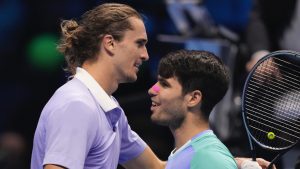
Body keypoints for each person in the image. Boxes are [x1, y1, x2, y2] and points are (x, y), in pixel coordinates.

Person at [30, 2, 274, 169]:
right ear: (110, 43)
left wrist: (236, 163)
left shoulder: (108, 110)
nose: (146, 55)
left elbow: (157, 166)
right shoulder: (78, 105)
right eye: (139, 43)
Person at [148, 49, 276, 169]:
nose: (152, 90)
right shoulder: (196, 155)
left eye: (164, 84)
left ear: (193, 98)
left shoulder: (209, 159)